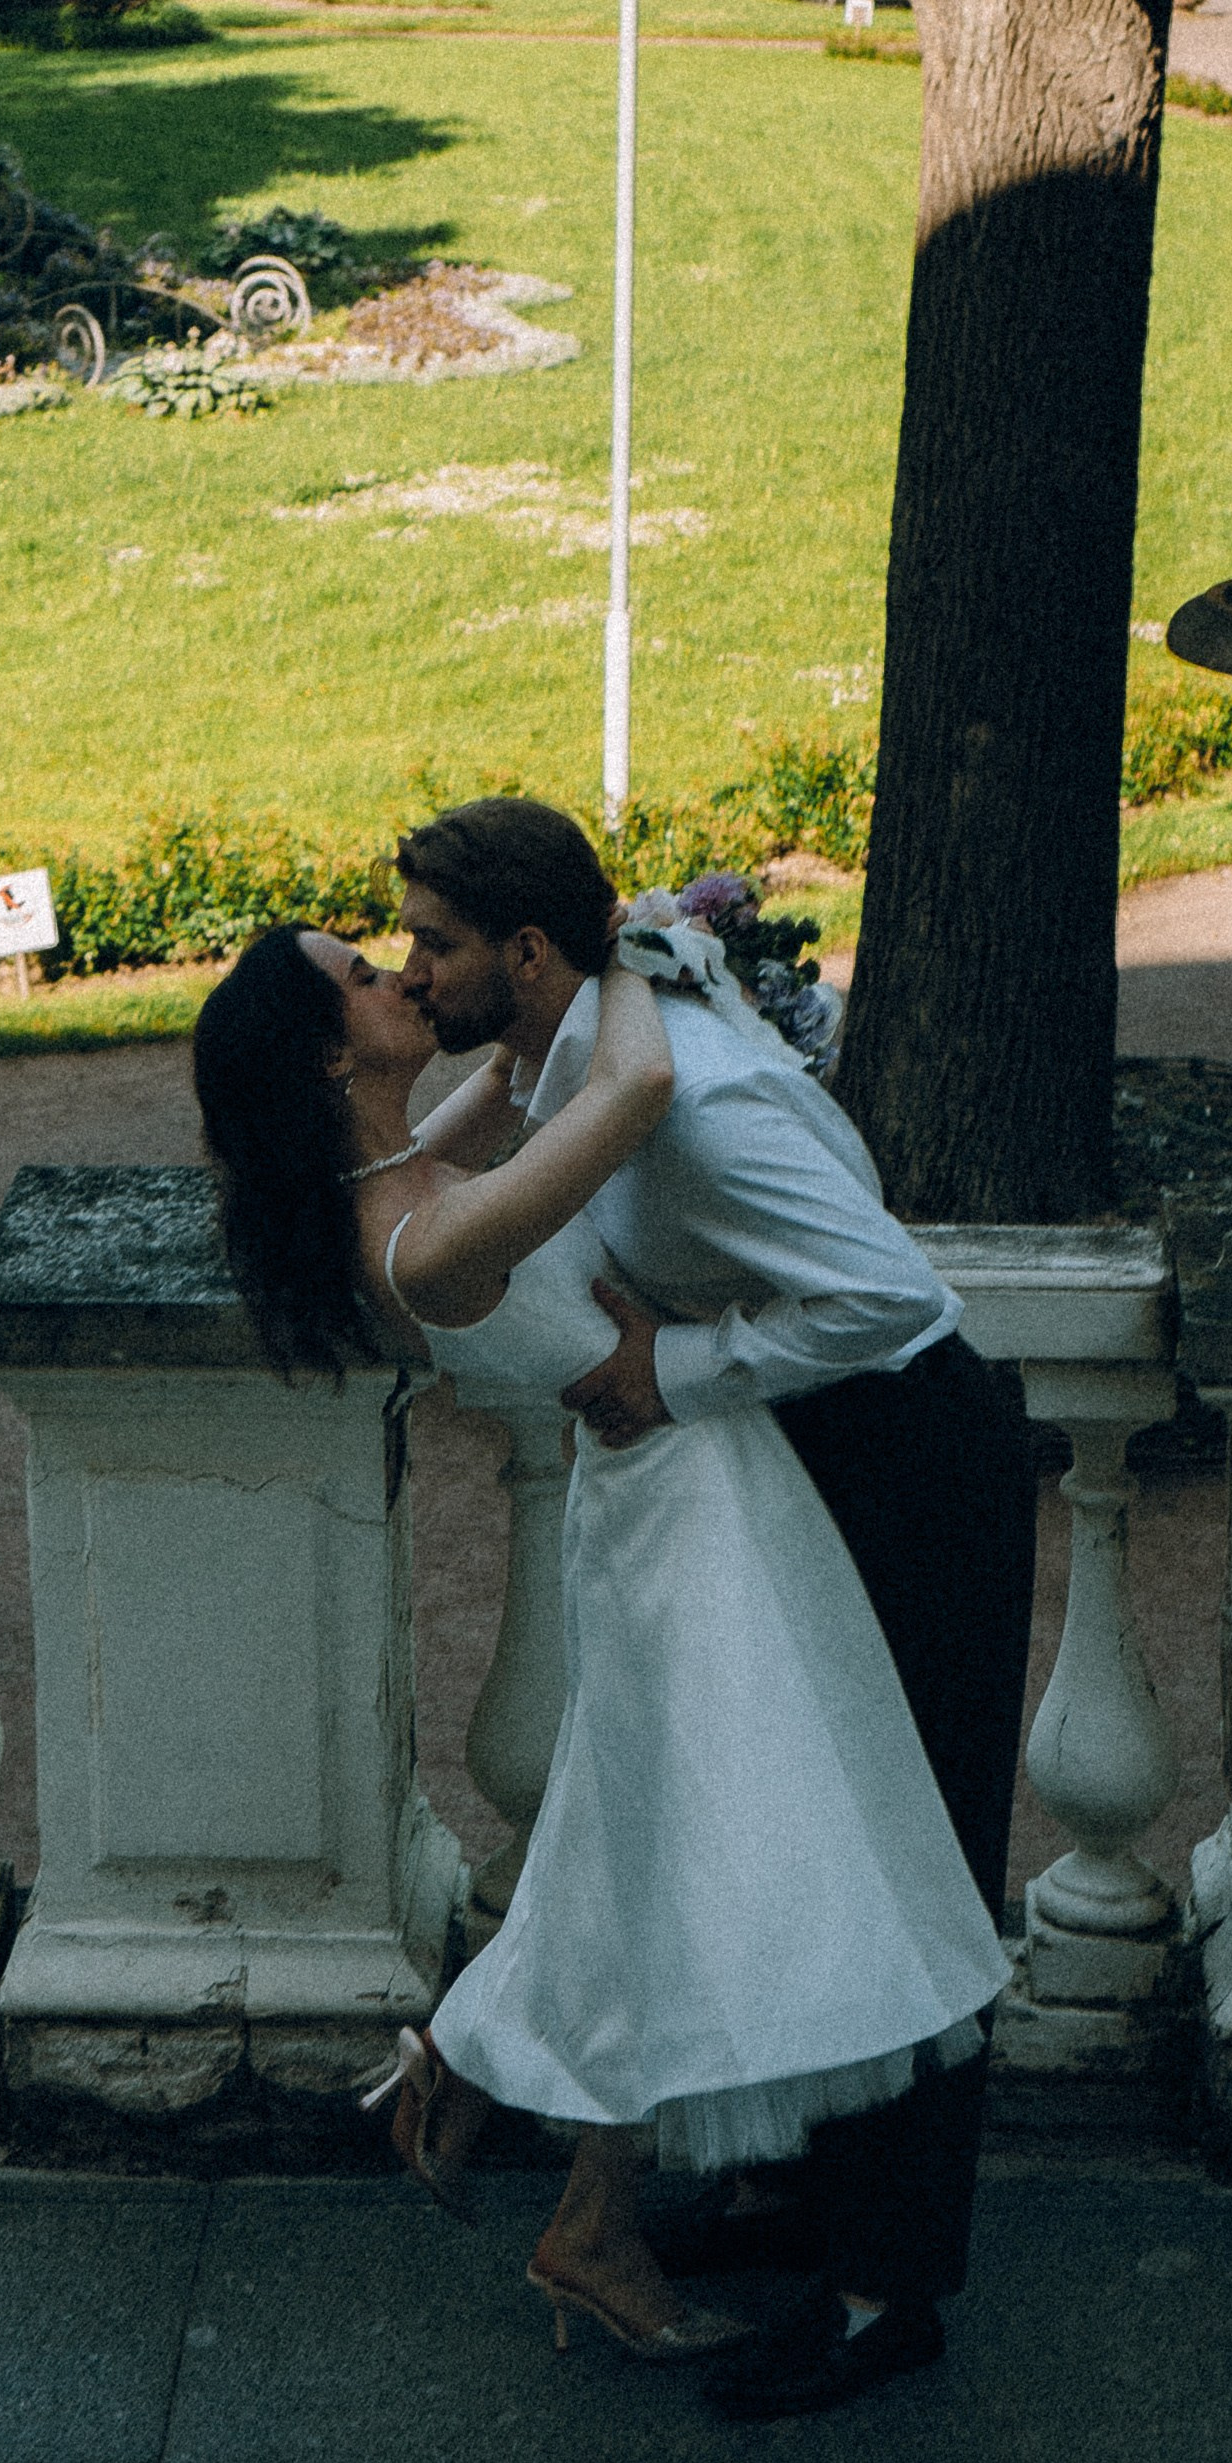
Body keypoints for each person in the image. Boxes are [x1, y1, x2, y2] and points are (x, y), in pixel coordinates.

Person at [191, 911, 1013, 2376]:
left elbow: (516, 1090)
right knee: (716, 1869)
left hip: (680, 1500)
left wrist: (635, 938)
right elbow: (624, 1092)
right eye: (367, 978)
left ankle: (541, 2146)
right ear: (331, 1052)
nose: (400, 975)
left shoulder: (391, 1171)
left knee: (649, 1862)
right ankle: (560, 2162)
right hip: (689, 1520)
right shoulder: (433, 1236)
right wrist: (616, 954)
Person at [390, 795, 1037, 2414]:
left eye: (437, 942)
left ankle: (893, 2294)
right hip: (808, 1455)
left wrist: (672, 1370)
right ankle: (813, 2203)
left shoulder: (696, 1104)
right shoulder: (587, 1042)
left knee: (904, 1857)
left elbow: (894, 1288)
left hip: (908, 1460)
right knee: (800, 1837)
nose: (414, 967)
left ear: (528, 952)